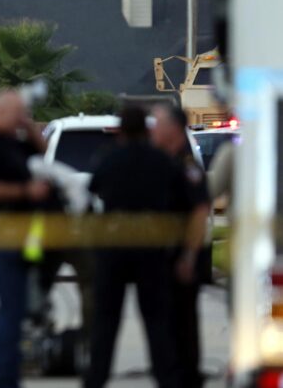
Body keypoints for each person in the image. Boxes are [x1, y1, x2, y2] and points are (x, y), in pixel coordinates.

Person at [85, 105, 185, 388]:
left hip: (114, 246)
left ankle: (96, 378)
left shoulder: (109, 158)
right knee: (156, 321)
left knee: (105, 321)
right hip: (151, 246)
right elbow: (178, 200)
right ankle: (166, 378)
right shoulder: (161, 160)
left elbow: (91, 191)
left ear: (121, 130)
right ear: (146, 129)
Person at [0, 89, 49, 388]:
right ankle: (1, 378)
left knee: (16, 308)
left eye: (23, 112)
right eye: (16, 112)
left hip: (22, 235)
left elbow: (44, 153)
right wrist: (25, 192)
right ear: (0, 112)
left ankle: (4, 374)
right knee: (11, 308)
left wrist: (29, 128)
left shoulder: (16, 143)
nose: (20, 117)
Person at [151, 104, 211, 388]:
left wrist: (188, 256)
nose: (154, 130)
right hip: (166, 259)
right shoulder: (165, 164)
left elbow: (200, 212)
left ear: (173, 130)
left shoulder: (187, 169)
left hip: (182, 259)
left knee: (183, 322)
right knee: (169, 323)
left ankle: (187, 377)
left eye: (159, 124)